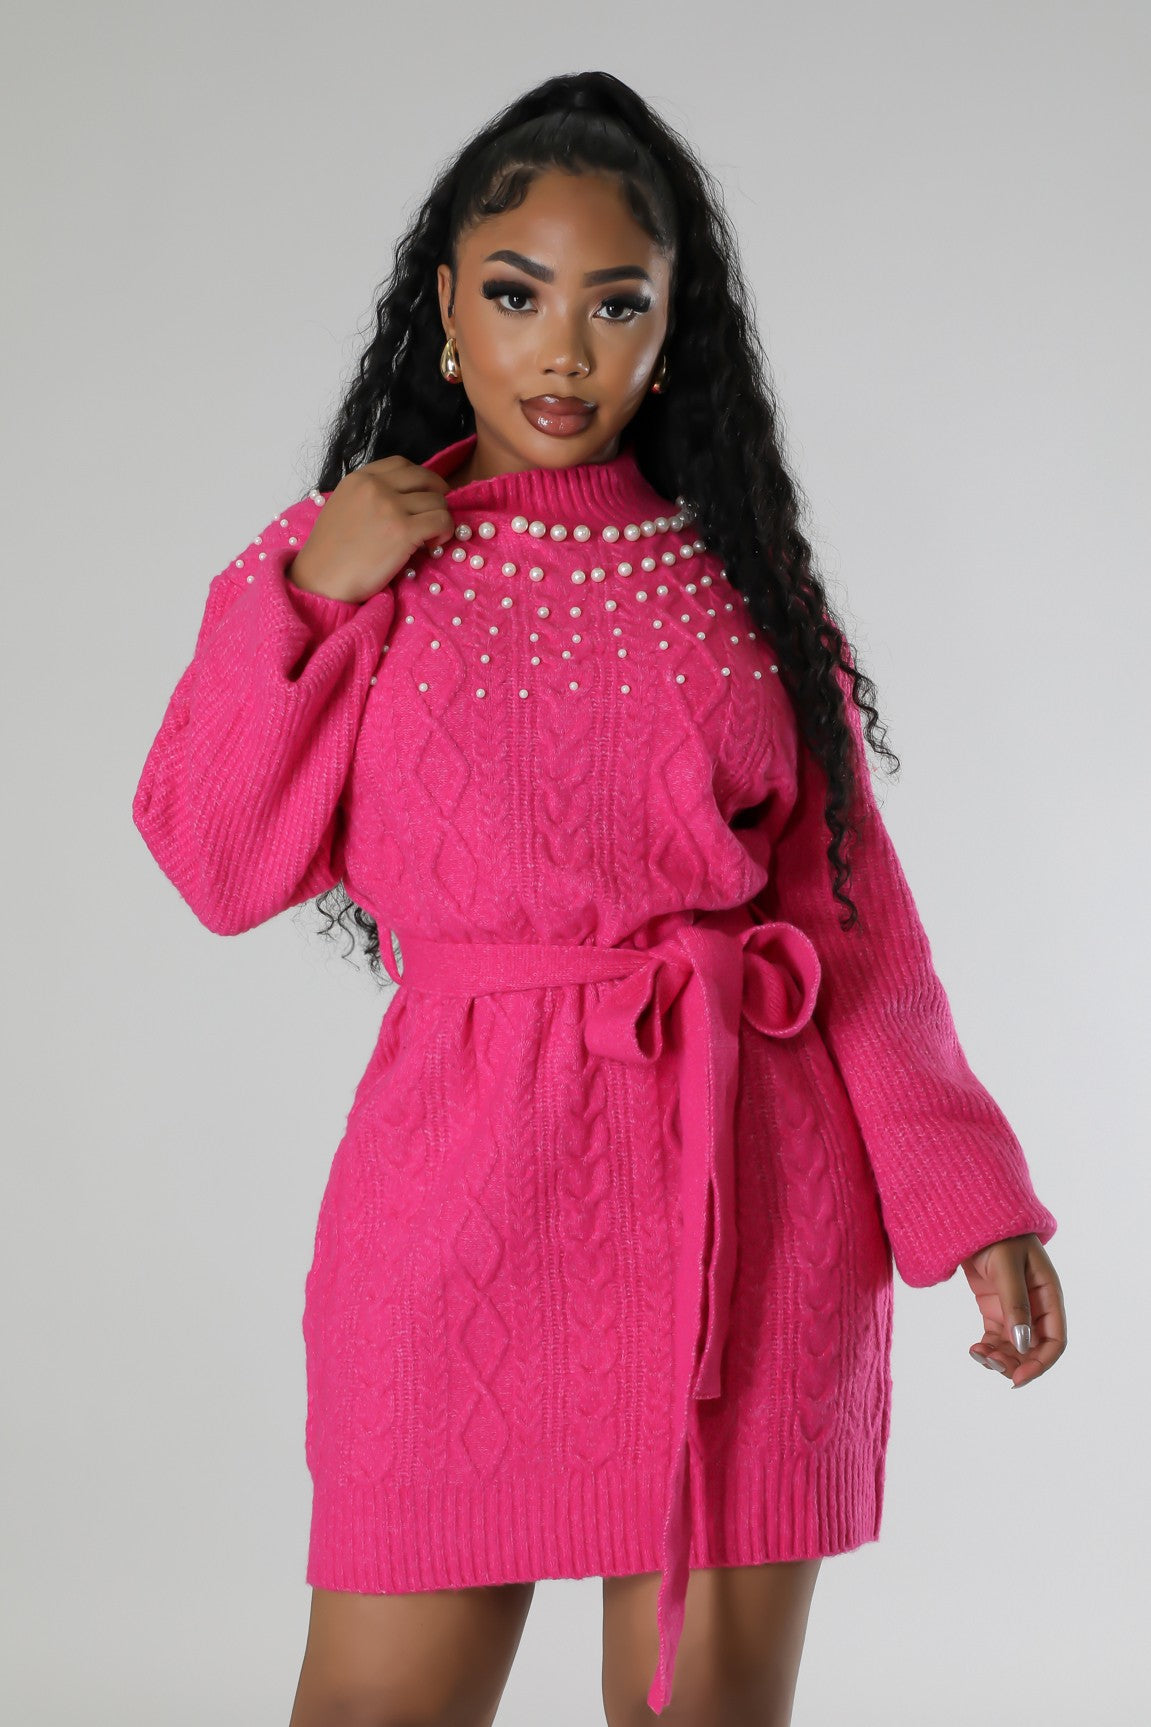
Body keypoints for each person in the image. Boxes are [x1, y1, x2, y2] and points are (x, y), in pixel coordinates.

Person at [132, 69, 1067, 1727]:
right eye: (517, 296)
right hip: (455, 1211)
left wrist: (974, 1204)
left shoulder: (743, 594)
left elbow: (856, 940)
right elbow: (216, 862)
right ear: (446, 308)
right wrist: (305, 592)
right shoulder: (358, 566)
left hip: (748, 1213)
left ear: (670, 330)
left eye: (615, 304)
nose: (562, 351)